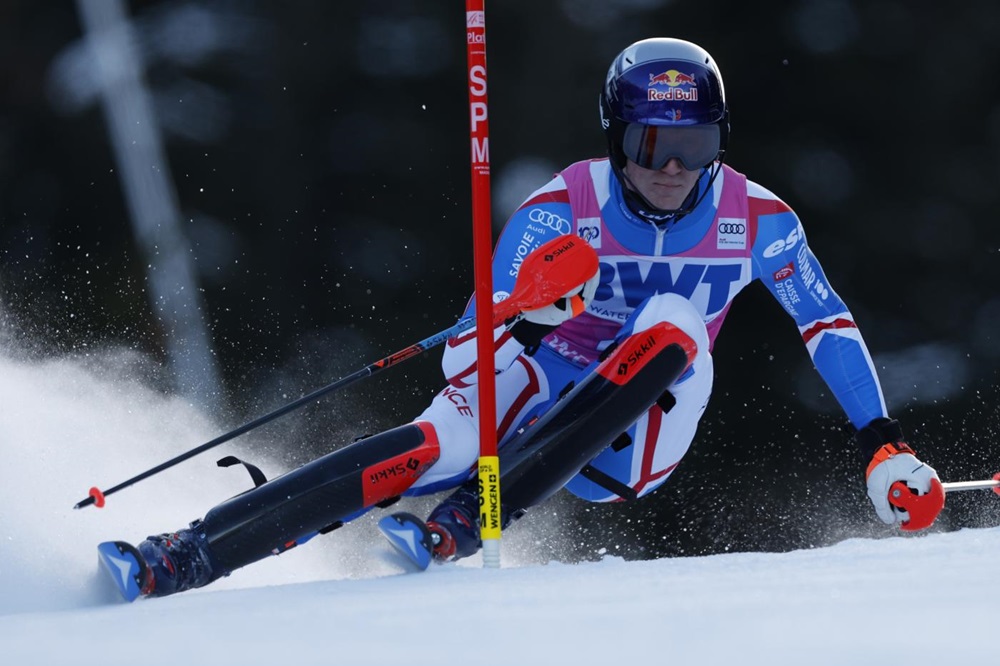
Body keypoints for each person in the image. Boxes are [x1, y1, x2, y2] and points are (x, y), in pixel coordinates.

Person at [106, 37, 944, 599]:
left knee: (676, 317)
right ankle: (184, 555)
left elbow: (825, 322)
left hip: (640, 431)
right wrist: (533, 313)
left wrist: (881, 440)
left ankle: (473, 516)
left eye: (695, 146)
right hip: (545, 390)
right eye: (654, 146)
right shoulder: (560, 209)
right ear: (619, 138)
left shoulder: (758, 219)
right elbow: (464, 353)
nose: (673, 170)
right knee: (434, 442)